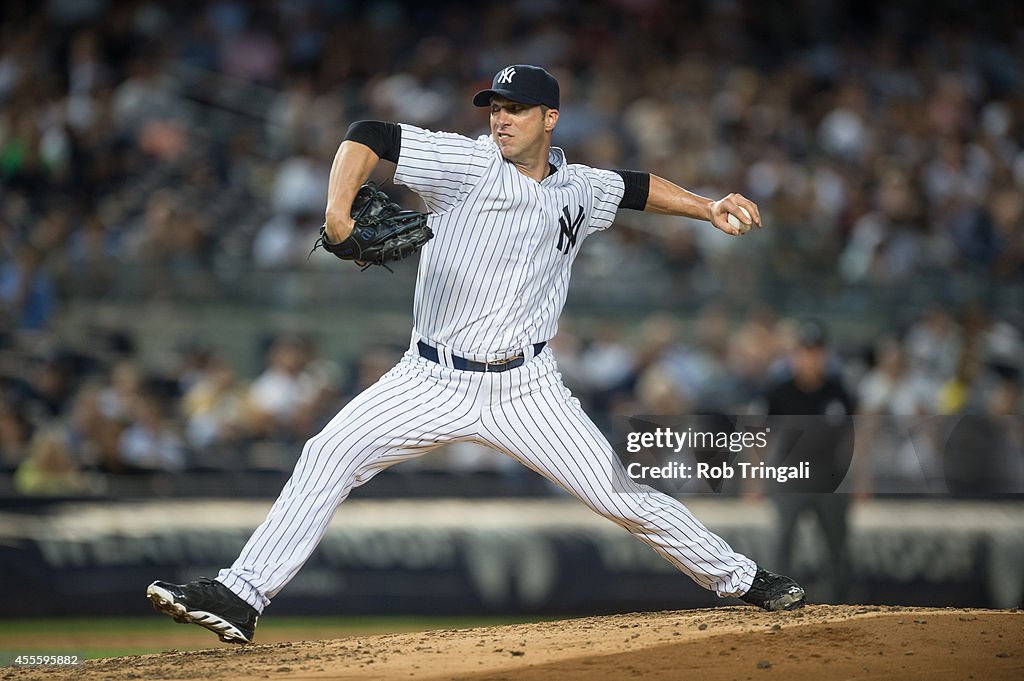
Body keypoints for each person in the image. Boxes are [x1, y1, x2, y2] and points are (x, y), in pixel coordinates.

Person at [147, 65, 805, 644]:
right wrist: (339, 212)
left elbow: (633, 186)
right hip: (430, 376)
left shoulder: (581, 187)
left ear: (550, 118)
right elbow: (368, 133)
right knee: (328, 452)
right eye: (495, 107)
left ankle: (744, 578)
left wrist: (706, 205)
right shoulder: (464, 162)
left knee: (622, 496)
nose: (501, 118)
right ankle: (242, 595)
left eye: (515, 109)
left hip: (528, 388)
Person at [762, 319, 856, 603]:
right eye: (804, 352)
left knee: (836, 541)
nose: (810, 359)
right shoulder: (780, 392)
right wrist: (758, 479)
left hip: (830, 475)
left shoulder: (838, 391)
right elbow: (765, 437)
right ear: (795, 355)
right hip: (790, 474)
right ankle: (779, 596)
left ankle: (841, 600)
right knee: (784, 539)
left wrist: (860, 477)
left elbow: (854, 436)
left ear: (824, 355)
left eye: (816, 352)